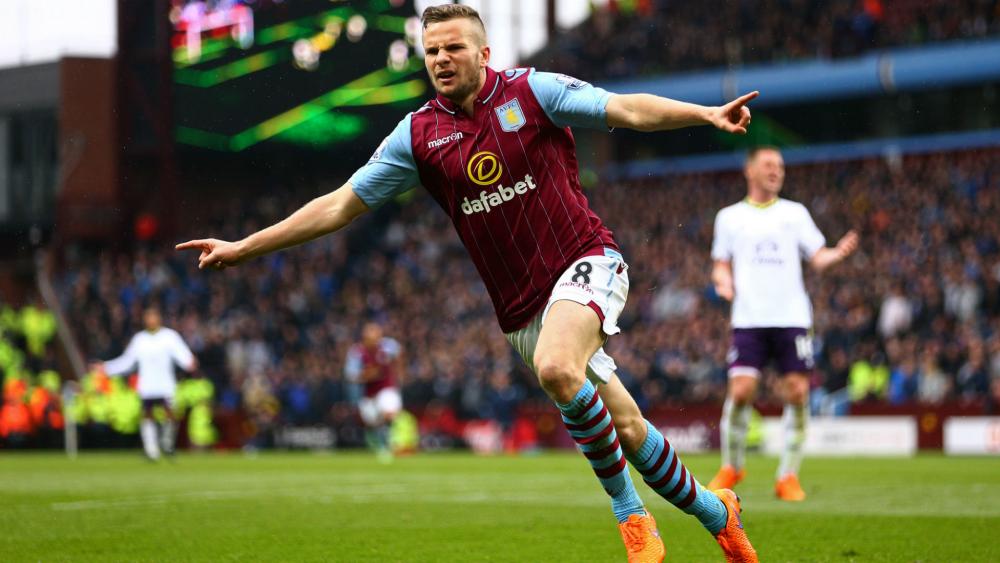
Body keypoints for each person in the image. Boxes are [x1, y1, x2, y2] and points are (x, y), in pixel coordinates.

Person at [178, 5, 758, 561]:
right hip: (519, 310)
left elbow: (624, 108)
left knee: (560, 370)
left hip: (586, 259)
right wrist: (244, 246)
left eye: (453, 47)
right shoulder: (417, 136)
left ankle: (631, 517)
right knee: (628, 428)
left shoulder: (534, 92)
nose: (440, 58)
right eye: (431, 51)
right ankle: (716, 514)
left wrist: (704, 114)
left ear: (485, 52)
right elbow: (337, 207)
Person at [707, 146, 859, 501]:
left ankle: (787, 475)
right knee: (741, 391)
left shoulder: (795, 214)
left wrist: (836, 254)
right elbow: (720, 262)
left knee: (798, 391)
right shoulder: (729, 217)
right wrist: (722, 281)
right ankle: (732, 465)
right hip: (749, 318)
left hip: (791, 317)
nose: (777, 171)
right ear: (750, 170)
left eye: (780, 166)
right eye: (769, 165)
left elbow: (817, 258)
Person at [92, 307, 198, 461]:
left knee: (169, 414)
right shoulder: (139, 339)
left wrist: (189, 361)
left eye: (154, 317)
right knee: (147, 416)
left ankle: (167, 444)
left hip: (165, 385)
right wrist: (107, 367)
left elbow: (183, 354)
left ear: (159, 318)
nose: (151, 320)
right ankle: (151, 449)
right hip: (147, 386)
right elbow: (127, 361)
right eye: (148, 317)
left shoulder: (169, 336)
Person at [344, 322, 404, 461]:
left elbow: (400, 353)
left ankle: (394, 441)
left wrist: (399, 374)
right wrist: (365, 375)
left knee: (389, 411)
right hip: (369, 393)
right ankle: (382, 446)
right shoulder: (356, 352)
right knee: (372, 422)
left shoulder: (388, 346)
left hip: (387, 388)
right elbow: (350, 375)